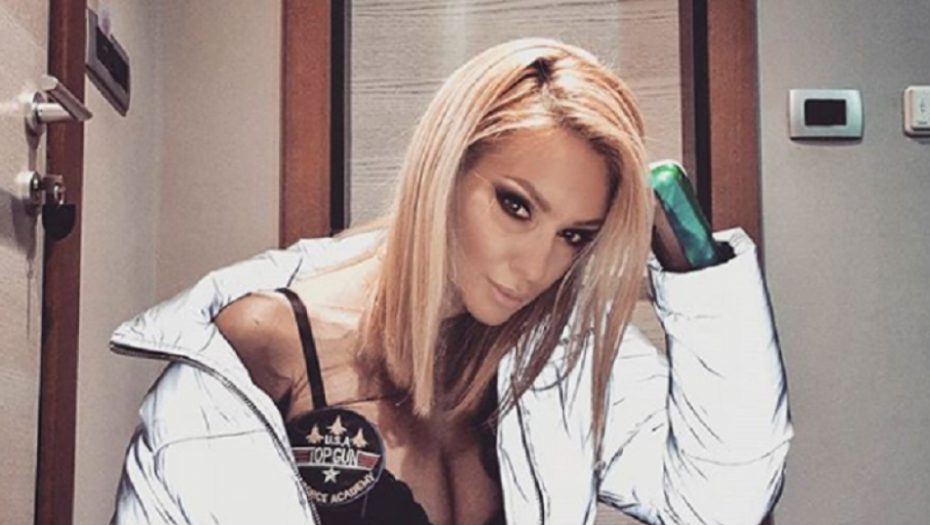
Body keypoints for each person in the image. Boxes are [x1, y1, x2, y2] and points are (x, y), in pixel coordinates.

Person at [109, 38, 791, 525]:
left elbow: (720, 505)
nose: (535, 268)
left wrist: (699, 274)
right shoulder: (259, 350)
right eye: (515, 206)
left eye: (574, 235)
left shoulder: (557, 350)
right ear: (446, 168)